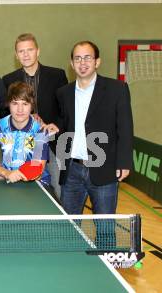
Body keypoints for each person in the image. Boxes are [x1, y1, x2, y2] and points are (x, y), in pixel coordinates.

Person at [56, 40, 133, 216]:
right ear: (71, 63)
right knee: (69, 228)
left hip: (104, 169)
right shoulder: (63, 93)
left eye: (87, 58)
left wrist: (124, 162)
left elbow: (125, 128)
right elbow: (64, 126)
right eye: (78, 58)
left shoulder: (117, 89)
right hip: (72, 171)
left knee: (105, 229)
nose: (82, 63)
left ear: (97, 61)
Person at [2, 33, 68, 196]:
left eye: (29, 50)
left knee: (59, 190)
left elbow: (66, 108)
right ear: (16, 55)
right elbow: (5, 110)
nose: (26, 54)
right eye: (21, 51)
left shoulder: (57, 75)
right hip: (22, 144)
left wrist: (56, 125)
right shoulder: (8, 79)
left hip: (52, 143)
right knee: (21, 192)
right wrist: (28, 118)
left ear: (38, 51)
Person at [0, 82, 50, 185]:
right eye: (15, 103)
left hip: (36, 184)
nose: (20, 109)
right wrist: (5, 173)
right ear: (8, 104)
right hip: (8, 181)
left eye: (25, 104)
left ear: (32, 106)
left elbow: (38, 169)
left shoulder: (40, 130)